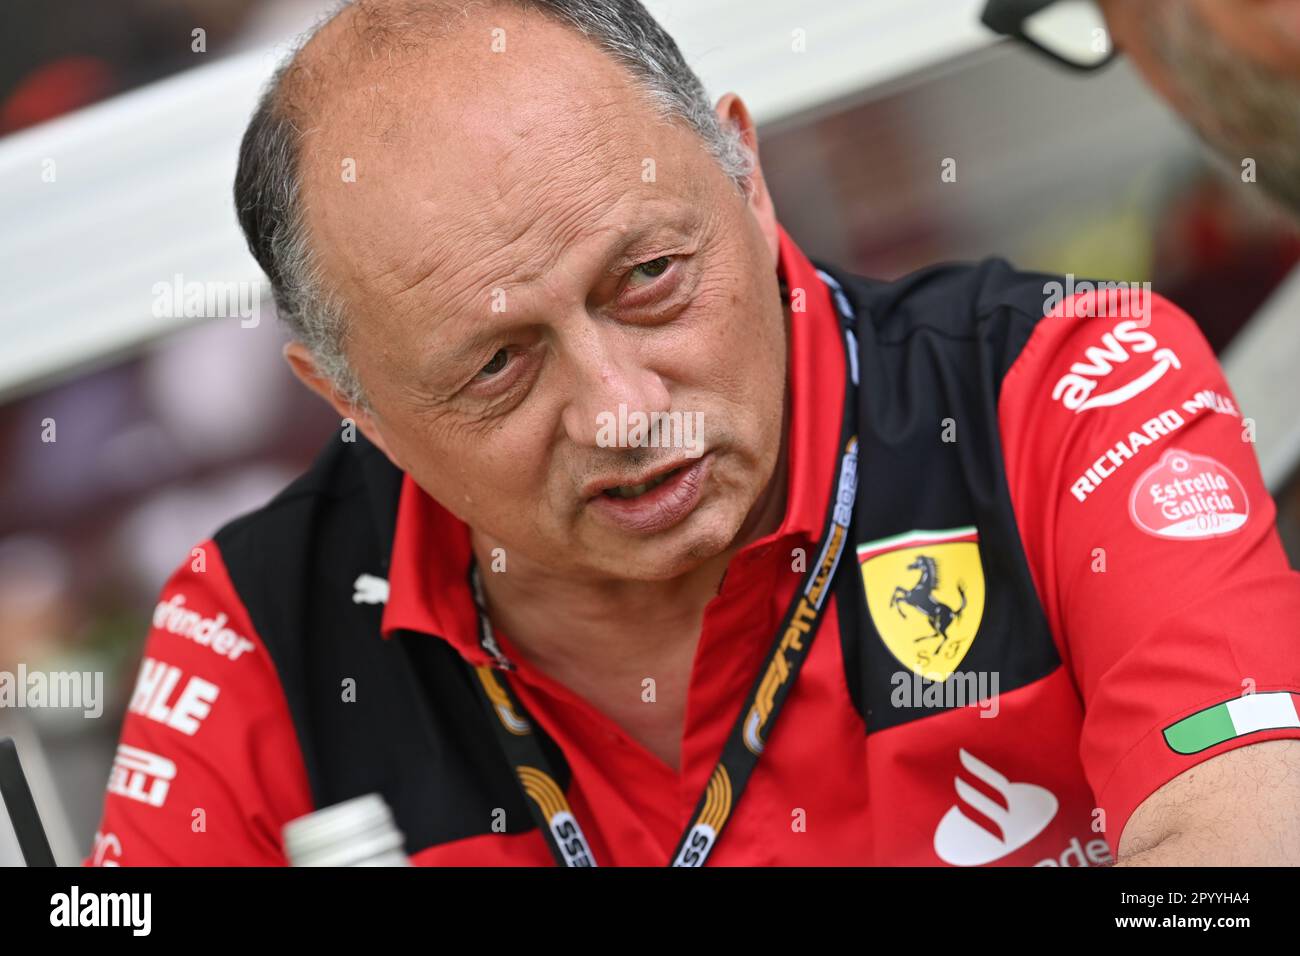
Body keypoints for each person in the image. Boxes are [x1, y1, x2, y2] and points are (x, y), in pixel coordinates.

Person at [87, 0, 1300, 867]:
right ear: (352, 402)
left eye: (652, 276)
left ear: (747, 173)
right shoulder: (258, 622)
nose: (622, 408)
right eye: (500, 365)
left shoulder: (1066, 383)